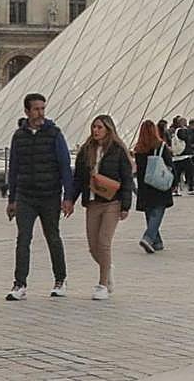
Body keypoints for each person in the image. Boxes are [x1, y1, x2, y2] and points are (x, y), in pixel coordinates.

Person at [5, 92, 75, 302]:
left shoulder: (54, 134)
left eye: (42, 108)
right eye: (36, 109)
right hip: (25, 195)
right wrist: (12, 199)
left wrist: (68, 197)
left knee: (53, 237)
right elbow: (14, 168)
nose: (41, 113)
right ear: (27, 111)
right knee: (23, 239)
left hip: (49, 195)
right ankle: (19, 284)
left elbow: (64, 166)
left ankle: (60, 280)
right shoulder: (19, 136)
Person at [70, 114, 133, 299]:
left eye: (99, 127)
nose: (95, 130)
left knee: (104, 242)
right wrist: (70, 200)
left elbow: (127, 179)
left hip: (112, 202)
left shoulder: (118, 150)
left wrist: (126, 206)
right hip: (92, 202)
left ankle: (102, 284)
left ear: (108, 129)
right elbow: (78, 179)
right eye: (94, 127)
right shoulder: (86, 150)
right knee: (93, 246)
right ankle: (108, 267)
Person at [133, 119, 174, 254]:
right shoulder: (161, 146)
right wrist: (173, 182)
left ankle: (157, 242)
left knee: (150, 213)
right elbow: (170, 165)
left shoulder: (139, 149)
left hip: (145, 185)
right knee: (157, 212)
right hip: (159, 183)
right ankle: (149, 237)